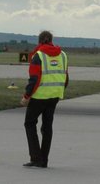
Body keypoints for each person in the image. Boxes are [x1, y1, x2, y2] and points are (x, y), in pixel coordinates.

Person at [21, 30, 69, 169]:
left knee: (29, 124)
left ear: (40, 41)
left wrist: (26, 97)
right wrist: (59, 90)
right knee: (47, 128)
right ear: (51, 40)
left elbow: (34, 79)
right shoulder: (63, 55)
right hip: (54, 96)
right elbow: (65, 78)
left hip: (39, 96)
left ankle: (36, 158)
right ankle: (44, 160)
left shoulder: (38, 56)